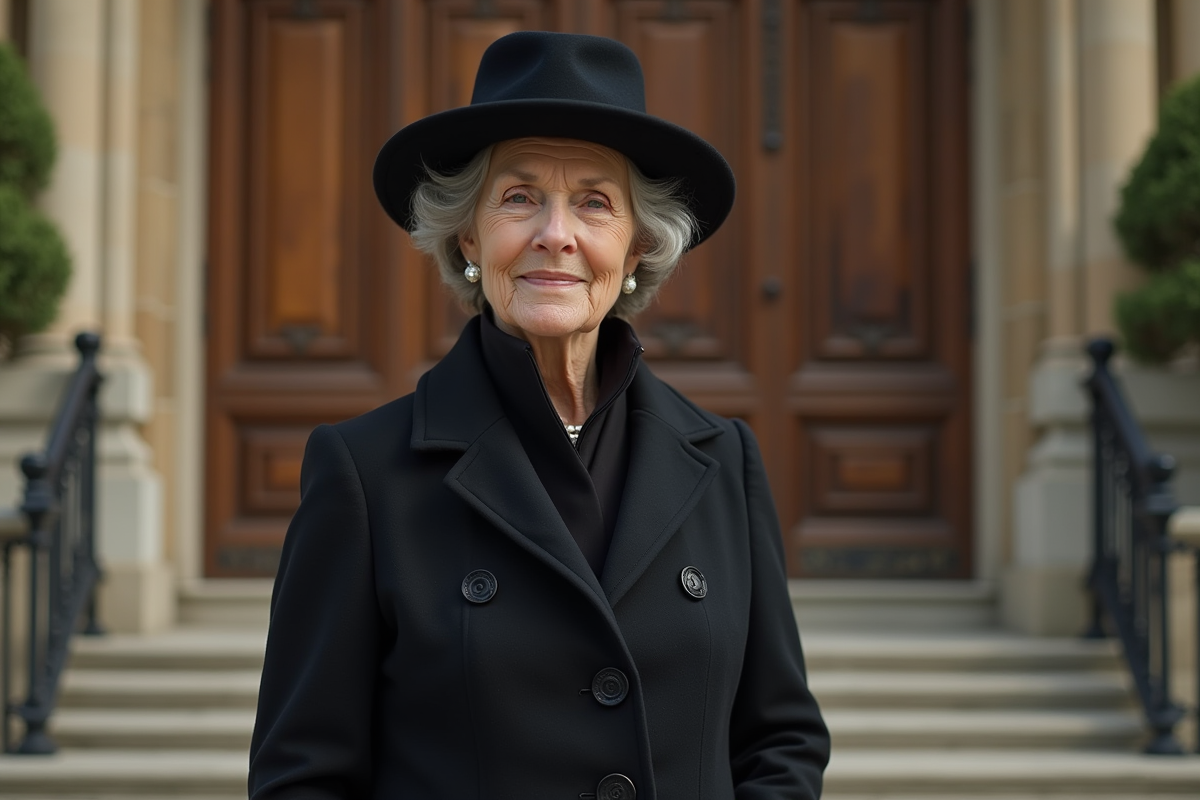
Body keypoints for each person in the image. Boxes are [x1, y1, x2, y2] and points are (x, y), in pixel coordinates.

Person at [248, 30, 829, 800]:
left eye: (595, 203)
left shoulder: (725, 460)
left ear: (636, 249)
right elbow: (303, 777)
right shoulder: (363, 473)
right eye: (519, 198)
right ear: (468, 236)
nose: (556, 235)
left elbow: (779, 741)